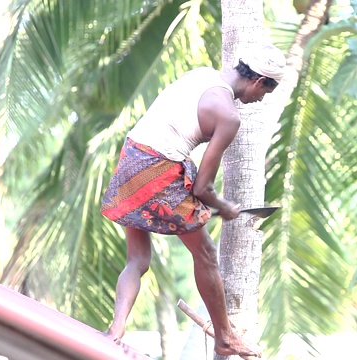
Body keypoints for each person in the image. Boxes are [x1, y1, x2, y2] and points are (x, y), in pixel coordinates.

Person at [100, 42, 286, 359]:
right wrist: (225, 207)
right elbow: (202, 188)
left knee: (137, 260)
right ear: (258, 81)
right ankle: (224, 336)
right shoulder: (228, 116)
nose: (260, 100)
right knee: (206, 254)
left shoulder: (201, 75)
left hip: (132, 157)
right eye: (264, 93)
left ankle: (116, 328)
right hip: (157, 169)